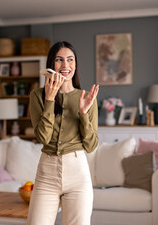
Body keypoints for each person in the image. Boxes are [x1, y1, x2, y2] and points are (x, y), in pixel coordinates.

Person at [27, 41, 99, 225]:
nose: (65, 65)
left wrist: (83, 113)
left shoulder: (87, 97)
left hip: (77, 172)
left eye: (70, 60)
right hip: (47, 173)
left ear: (75, 64)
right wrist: (50, 99)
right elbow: (43, 138)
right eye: (59, 60)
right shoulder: (38, 95)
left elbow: (91, 145)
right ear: (51, 64)